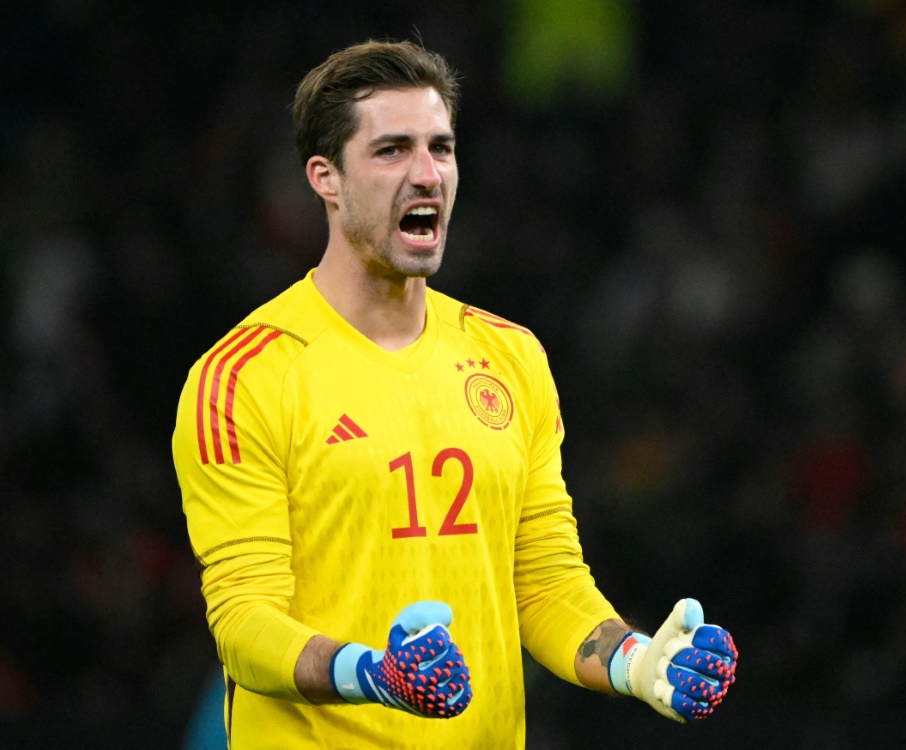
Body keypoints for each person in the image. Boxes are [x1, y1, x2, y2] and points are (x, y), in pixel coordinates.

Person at [172, 39, 738, 749]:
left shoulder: (511, 358)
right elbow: (243, 623)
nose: (427, 174)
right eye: (392, 151)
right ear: (326, 178)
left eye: (441, 148)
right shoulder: (243, 377)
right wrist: (370, 673)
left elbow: (546, 583)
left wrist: (635, 660)